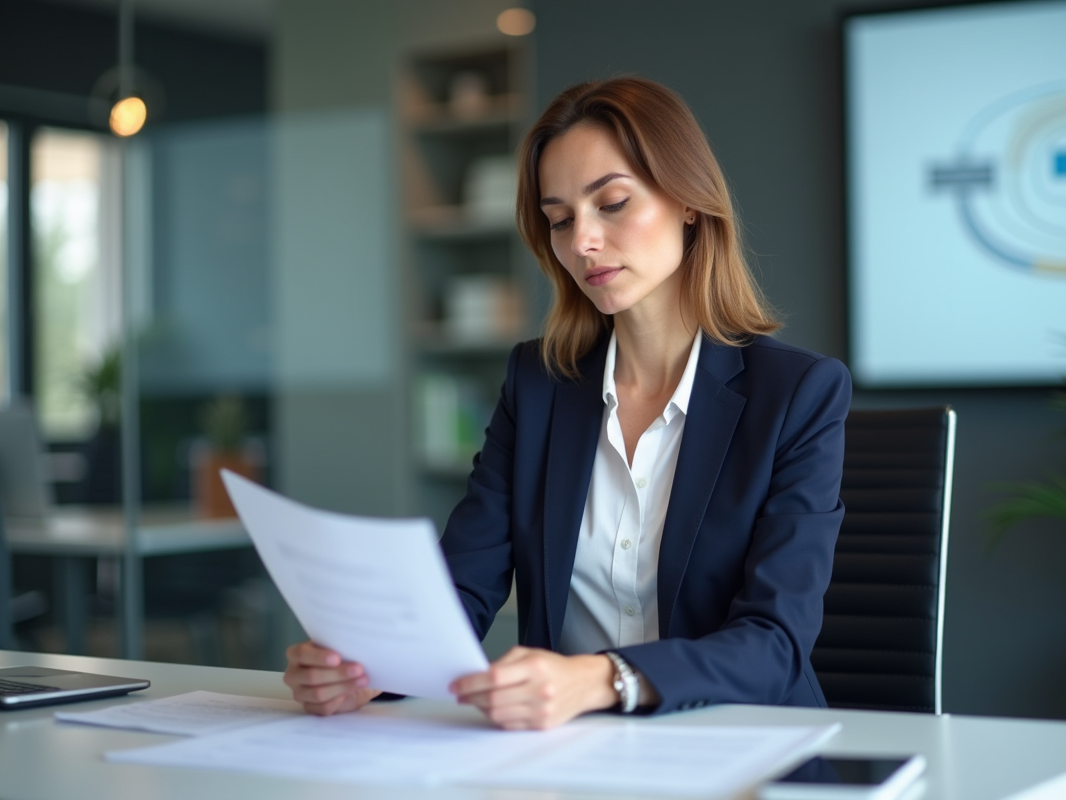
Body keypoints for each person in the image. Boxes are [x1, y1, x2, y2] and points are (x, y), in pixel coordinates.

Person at [284, 76, 851, 730]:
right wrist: (367, 669)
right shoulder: (538, 383)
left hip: (741, 742)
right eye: (559, 220)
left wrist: (604, 679)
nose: (582, 241)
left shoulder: (798, 394)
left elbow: (775, 642)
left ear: (689, 203)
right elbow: (462, 587)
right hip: (571, 752)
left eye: (612, 203)